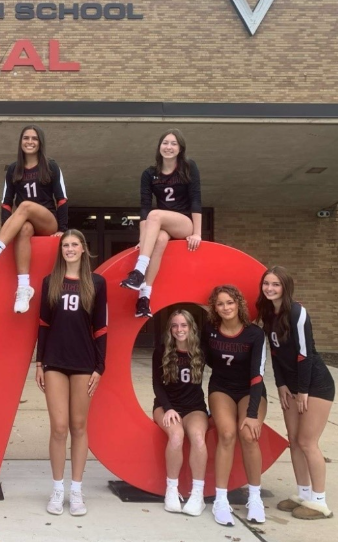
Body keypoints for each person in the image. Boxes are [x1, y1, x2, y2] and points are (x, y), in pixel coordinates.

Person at [34, 230, 107, 517]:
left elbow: (101, 328)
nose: (70, 249)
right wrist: (39, 363)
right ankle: (57, 489)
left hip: (83, 363)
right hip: (54, 361)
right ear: (61, 250)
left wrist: (100, 367)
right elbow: (42, 324)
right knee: (59, 427)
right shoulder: (49, 282)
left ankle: (76, 490)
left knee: (78, 426)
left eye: (75, 244)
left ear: (83, 249)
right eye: (65, 245)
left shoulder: (97, 283)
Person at [257, 266, 335, 520]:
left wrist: (302, 390)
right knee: (294, 439)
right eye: (266, 283)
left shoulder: (297, 312)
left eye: (276, 284)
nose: (270, 288)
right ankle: (303, 494)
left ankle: (320, 502)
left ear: (285, 287)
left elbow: (304, 354)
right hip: (290, 385)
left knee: (307, 441)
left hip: (315, 384)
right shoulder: (268, 313)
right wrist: (281, 384)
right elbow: (276, 353)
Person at [0, 125, 68, 314]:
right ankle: (24, 288)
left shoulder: (51, 166)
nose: (30, 142)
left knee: (24, 205)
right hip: (27, 223)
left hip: (47, 221)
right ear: (20, 142)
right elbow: (6, 203)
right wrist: (7, 231)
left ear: (40, 143)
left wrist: (63, 229)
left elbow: (62, 198)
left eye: (34, 138)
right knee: (23, 229)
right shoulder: (14, 169)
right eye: (26, 138)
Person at [203, 285, 267, 526]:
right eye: (220, 304)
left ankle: (255, 498)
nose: (226, 307)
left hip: (250, 390)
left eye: (230, 302)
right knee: (227, 434)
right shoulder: (210, 329)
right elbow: (204, 358)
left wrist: (251, 415)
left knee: (249, 434)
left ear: (238, 303)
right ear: (215, 308)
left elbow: (257, 375)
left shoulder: (254, 334)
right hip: (221, 388)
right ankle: (221, 499)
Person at [120, 130, 202, 319]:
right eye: (165, 143)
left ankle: (138, 271)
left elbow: (196, 200)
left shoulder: (189, 167)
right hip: (162, 226)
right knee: (159, 241)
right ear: (159, 147)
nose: (169, 147)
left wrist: (197, 233)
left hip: (183, 223)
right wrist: (143, 239)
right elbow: (144, 207)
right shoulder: (149, 174)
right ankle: (144, 298)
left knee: (155, 215)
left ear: (180, 148)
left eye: (174, 144)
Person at [152, 310, 208, 516]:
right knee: (176, 436)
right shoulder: (161, 351)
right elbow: (157, 384)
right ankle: (172, 489)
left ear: (191, 327)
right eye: (174, 325)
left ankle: (197, 494)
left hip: (194, 407)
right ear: (170, 329)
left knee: (198, 437)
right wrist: (168, 408)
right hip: (166, 406)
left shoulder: (201, 350)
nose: (179, 329)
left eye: (184, 325)